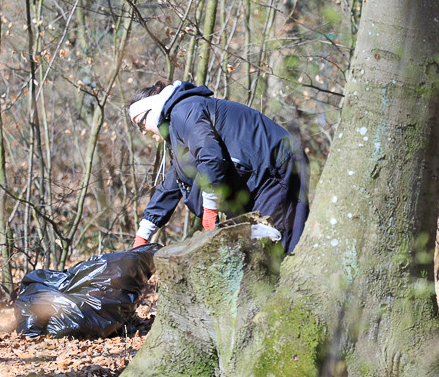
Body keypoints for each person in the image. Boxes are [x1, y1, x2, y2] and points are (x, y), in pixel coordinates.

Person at [128, 80, 310, 253]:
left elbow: (210, 156)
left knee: (276, 248)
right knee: (251, 250)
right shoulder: (178, 124)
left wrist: (210, 209)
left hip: (275, 168)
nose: (143, 131)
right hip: (256, 179)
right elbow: (173, 182)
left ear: (153, 110)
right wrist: (143, 234)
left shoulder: (184, 111)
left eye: (140, 123)